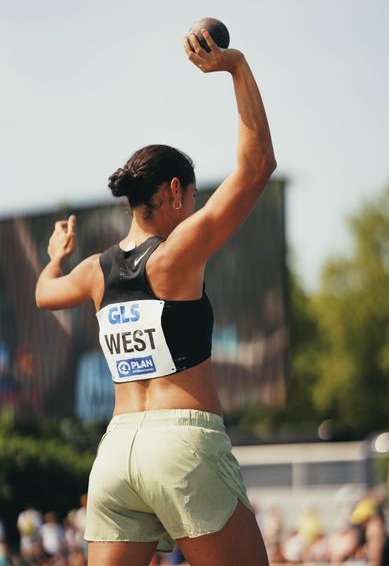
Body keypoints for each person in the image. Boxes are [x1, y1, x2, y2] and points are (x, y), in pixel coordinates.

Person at [36, 28, 276, 566]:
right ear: (173, 192)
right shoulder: (174, 255)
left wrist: (56, 255)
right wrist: (236, 67)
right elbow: (257, 166)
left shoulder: (95, 272)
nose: (194, 208)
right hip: (183, 449)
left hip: (117, 453)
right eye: (192, 196)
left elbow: (44, 295)